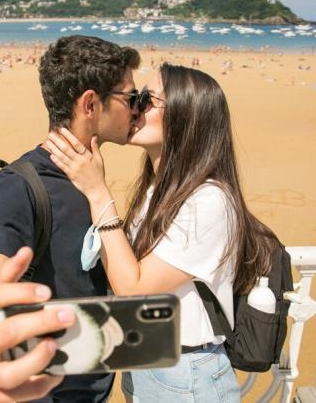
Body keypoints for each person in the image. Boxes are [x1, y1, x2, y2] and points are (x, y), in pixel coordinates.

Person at [45, 64, 281, 402]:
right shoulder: (157, 188)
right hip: (151, 361)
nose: (134, 108)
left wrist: (98, 192)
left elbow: (134, 289)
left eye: (146, 99)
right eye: (133, 97)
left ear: (187, 116)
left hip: (187, 373)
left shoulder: (209, 200)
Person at [0, 35, 141, 402]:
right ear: (90, 104)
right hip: (47, 392)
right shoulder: (13, 189)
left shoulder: (87, 175)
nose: (137, 108)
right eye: (130, 98)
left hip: (95, 384)